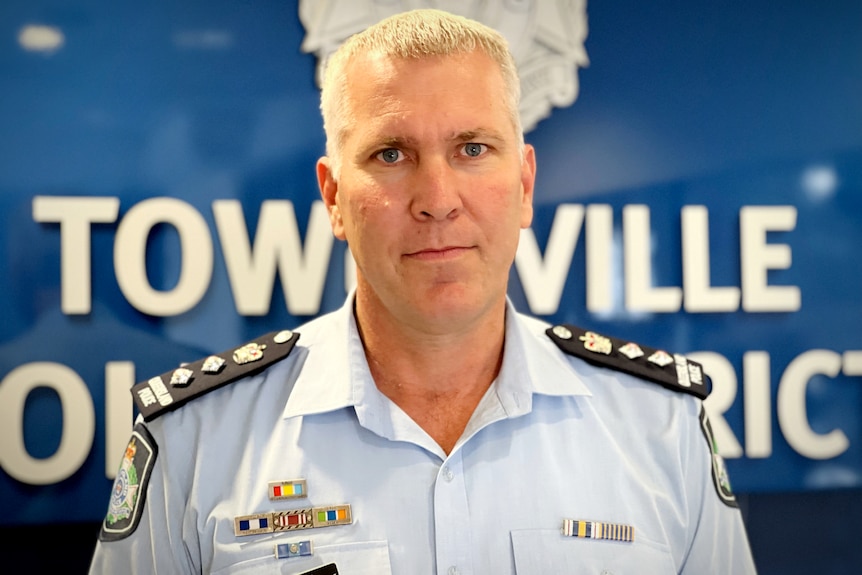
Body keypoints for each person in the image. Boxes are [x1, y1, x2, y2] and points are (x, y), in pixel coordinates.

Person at [89, 9, 757, 574]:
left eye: (471, 148)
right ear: (334, 199)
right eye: (390, 154)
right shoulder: (197, 441)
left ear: (524, 185)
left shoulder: (660, 430)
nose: (438, 200)